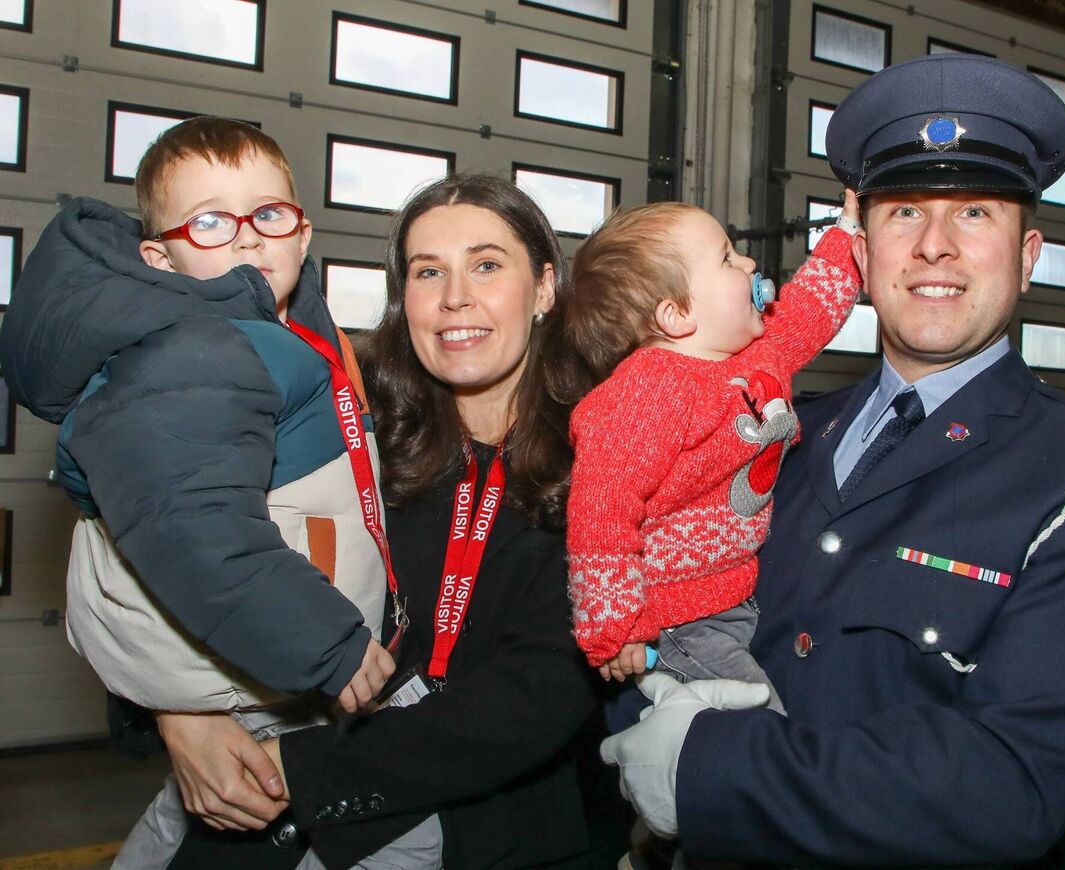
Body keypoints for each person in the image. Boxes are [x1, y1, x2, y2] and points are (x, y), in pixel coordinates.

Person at [598, 54, 1065, 867]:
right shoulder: (773, 435)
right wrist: (640, 719)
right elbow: (646, 588)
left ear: (1028, 255)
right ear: (864, 254)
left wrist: (702, 769)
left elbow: (1008, 784)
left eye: (976, 213)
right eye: (904, 212)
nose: (935, 247)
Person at [152, 174, 600, 870]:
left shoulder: (609, 458)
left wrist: (297, 769)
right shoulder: (349, 437)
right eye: (429, 271)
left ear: (543, 289)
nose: (456, 297)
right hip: (281, 827)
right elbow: (192, 558)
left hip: (506, 838)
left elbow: (541, 694)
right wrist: (181, 713)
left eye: (486, 265)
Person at [0, 117, 396, 865]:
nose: (249, 238)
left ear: (303, 235)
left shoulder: (293, 333)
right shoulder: (198, 350)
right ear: (161, 256)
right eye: (212, 220)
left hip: (276, 675)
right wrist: (329, 644)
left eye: (269, 214)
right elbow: (195, 531)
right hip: (275, 667)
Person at [564, 199, 861, 712]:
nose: (749, 264)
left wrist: (849, 231)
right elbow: (601, 516)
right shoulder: (645, 395)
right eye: (727, 258)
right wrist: (616, 629)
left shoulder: (756, 356)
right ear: (676, 314)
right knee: (763, 727)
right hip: (677, 619)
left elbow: (811, 310)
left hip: (736, 594)